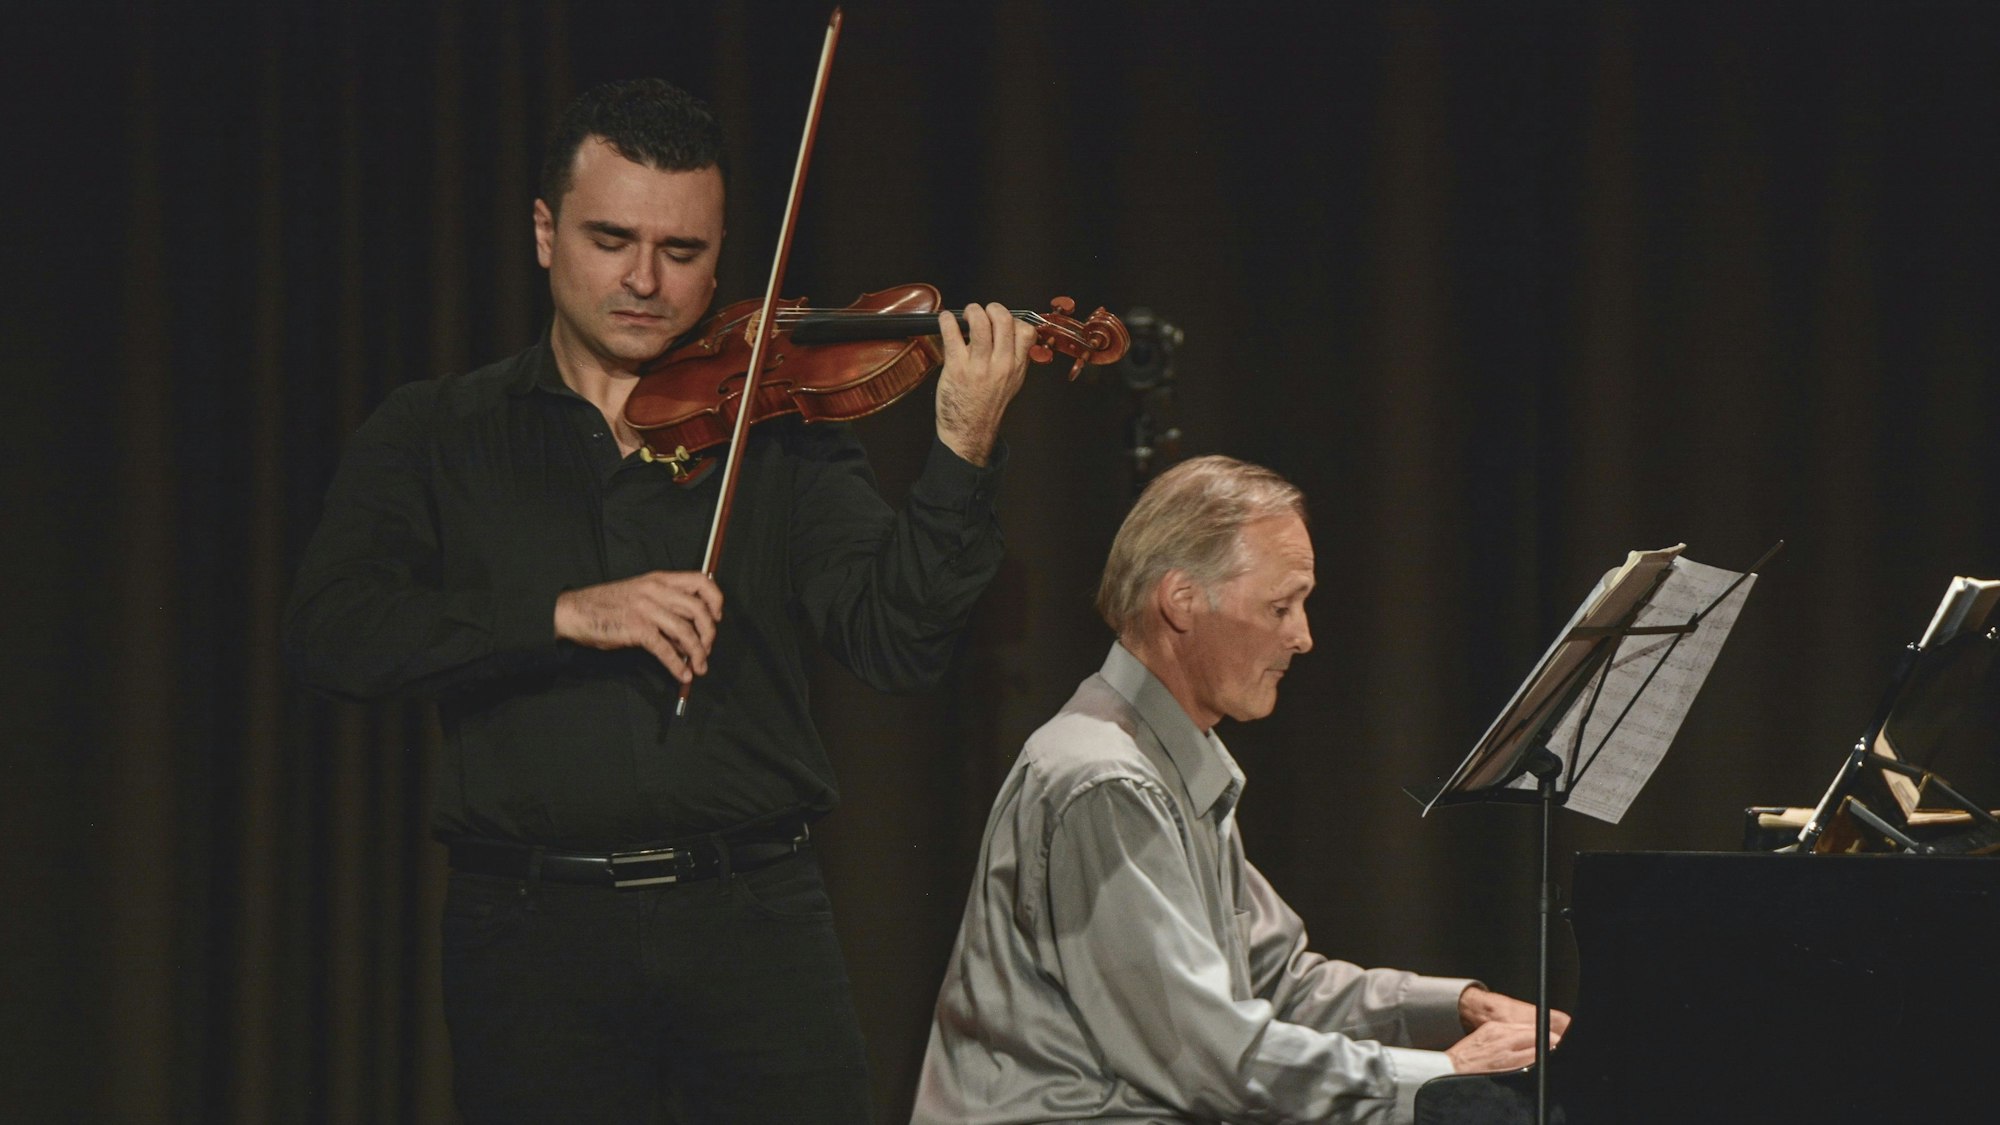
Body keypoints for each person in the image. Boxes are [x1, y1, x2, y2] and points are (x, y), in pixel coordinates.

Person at [285, 78, 1036, 1124]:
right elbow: (334, 634)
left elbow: (895, 642)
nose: (644, 279)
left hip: (756, 922)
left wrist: (960, 450)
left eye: (681, 253)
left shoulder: (783, 433)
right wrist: (560, 614)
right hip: (531, 934)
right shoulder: (438, 432)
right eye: (610, 239)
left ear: (721, 258)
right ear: (546, 233)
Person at [912, 455, 1566, 1125]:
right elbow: (1207, 1056)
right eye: (1281, 605)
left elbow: (1277, 980)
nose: (1303, 636)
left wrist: (1457, 1007)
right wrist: (1444, 1076)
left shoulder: (1170, 757)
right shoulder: (1105, 780)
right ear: (1181, 599)